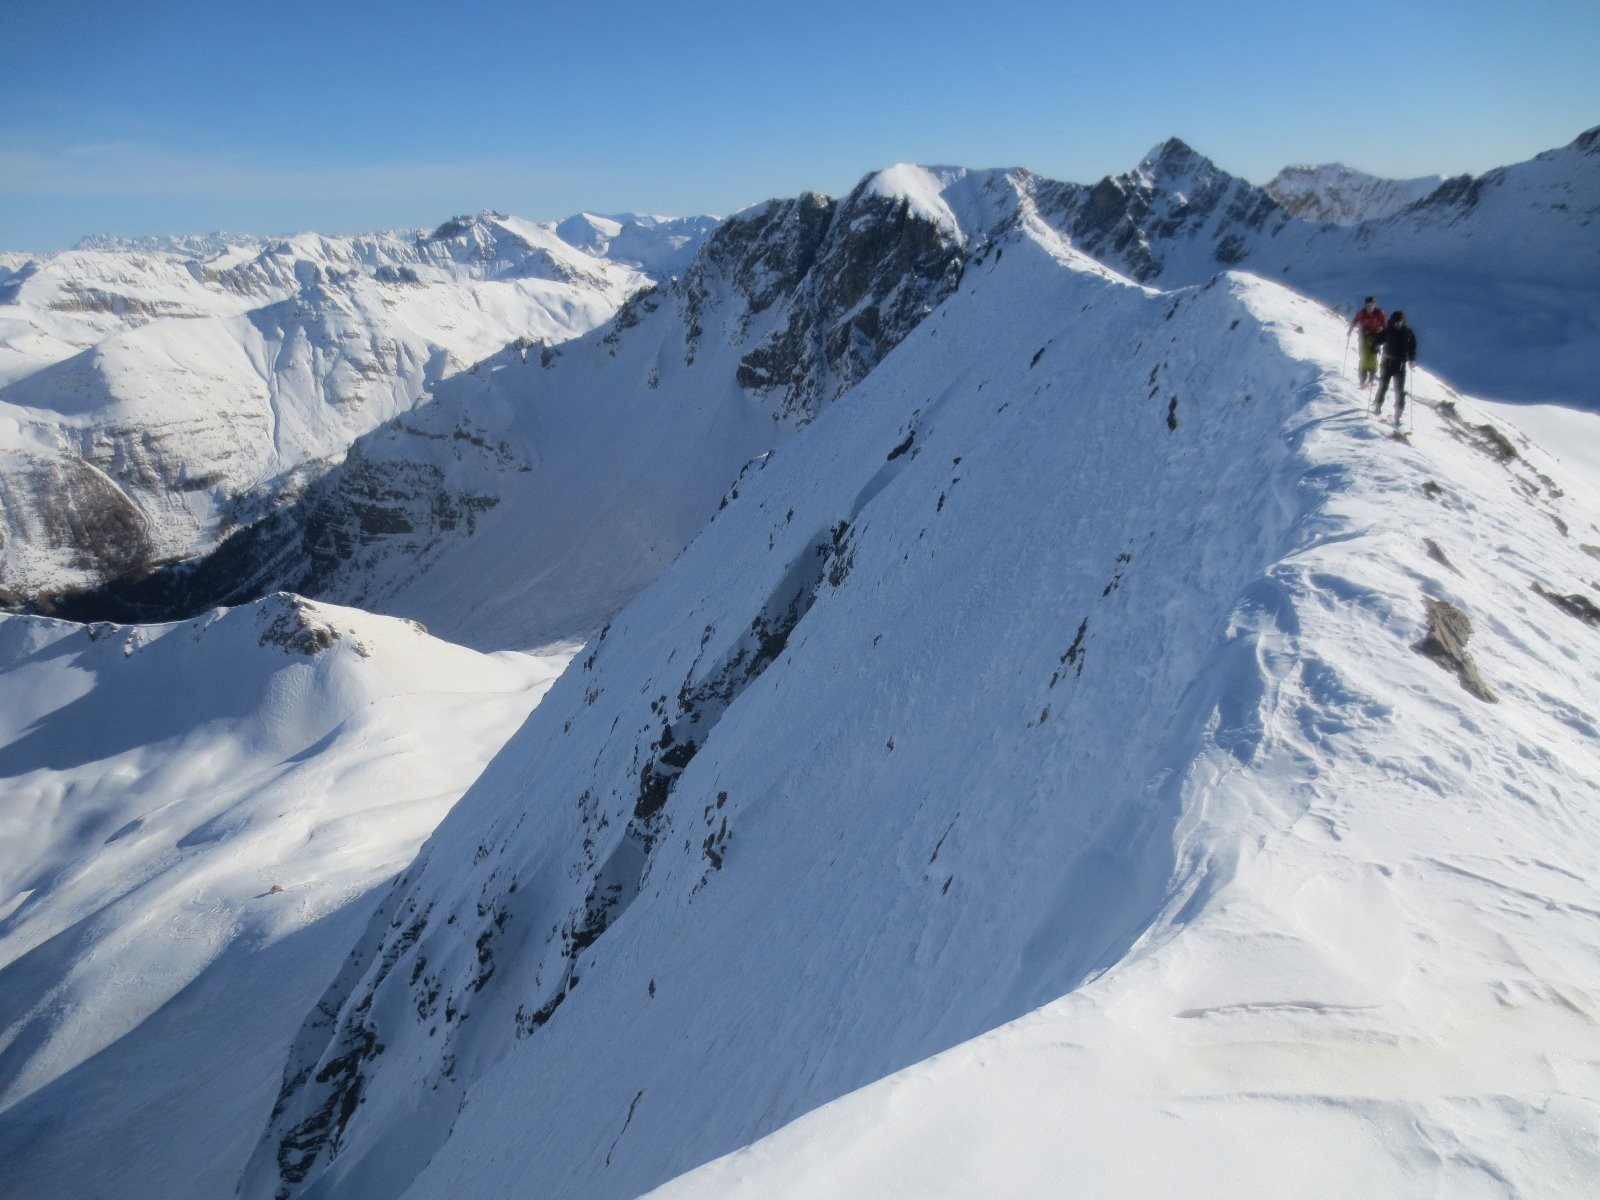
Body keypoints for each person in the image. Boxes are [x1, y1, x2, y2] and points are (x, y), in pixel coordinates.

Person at [1373, 311, 1418, 422]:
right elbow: (1379, 339)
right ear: (1392, 321)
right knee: (1384, 386)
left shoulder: (1408, 332)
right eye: (1396, 321)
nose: (1398, 323)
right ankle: (1378, 405)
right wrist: (1376, 346)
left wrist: (1412, 358)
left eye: (1400, 321)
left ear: (1403, 321)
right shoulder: (1388, 330)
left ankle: (1398, 414)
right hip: (1387, 362)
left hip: (1401, 364)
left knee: (1400, 391)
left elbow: (1412, 346)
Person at [1349, 296, 1386, 387]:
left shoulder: (1379, 313)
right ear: (1366, 305)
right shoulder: (1362, 313)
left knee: (1373, 357)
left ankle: (1371, 379)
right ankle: (1363, 380)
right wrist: (1350, 330)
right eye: (1368, 304)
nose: (1370, 306)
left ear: (1375, 304)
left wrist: (1384, 336)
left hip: (1375, 337)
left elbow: (1384, 324)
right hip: (1364, 337)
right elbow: (1355, 321)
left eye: (1372, 304)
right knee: (1364, 357)